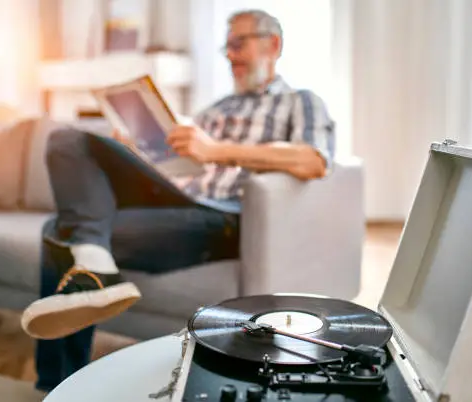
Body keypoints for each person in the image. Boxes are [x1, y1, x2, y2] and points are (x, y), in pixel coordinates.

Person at [23, 9, 336, 392]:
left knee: (58, 230)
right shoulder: (217, 109)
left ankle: (54, 382)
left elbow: (313, 160)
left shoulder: (299, 101)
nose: (230, 55)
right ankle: (91, 277)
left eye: (239, 43)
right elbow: (180, 162)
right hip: (176, 202)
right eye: (227, 46)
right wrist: (136, 150)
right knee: (67, 139)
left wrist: (217, 150)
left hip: (223, 215)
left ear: (274, 44)